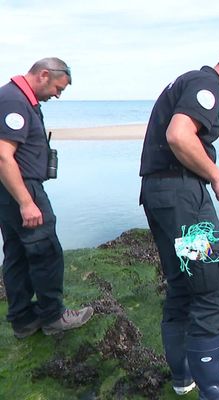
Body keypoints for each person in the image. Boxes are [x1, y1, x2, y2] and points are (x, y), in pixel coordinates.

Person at [139, 46, 219, 399]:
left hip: (159, 194)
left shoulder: (188, 81)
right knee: (214, 290)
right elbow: (179, 135)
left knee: (182, 286)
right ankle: (216, 390)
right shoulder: (206, 85)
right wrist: (216, 176)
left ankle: (183, 377)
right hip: (181, 199)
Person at [0, 58, 94, 339]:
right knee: (46, 251)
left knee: (17, 253)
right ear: (43, 75)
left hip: (10, 189)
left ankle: (23, 320)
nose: (57, 95)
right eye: (57, 88)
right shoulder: (15, 101)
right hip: (21, 188)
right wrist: (27, 202)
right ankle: (53, 317)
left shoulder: (15, 97)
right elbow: (4, 155)